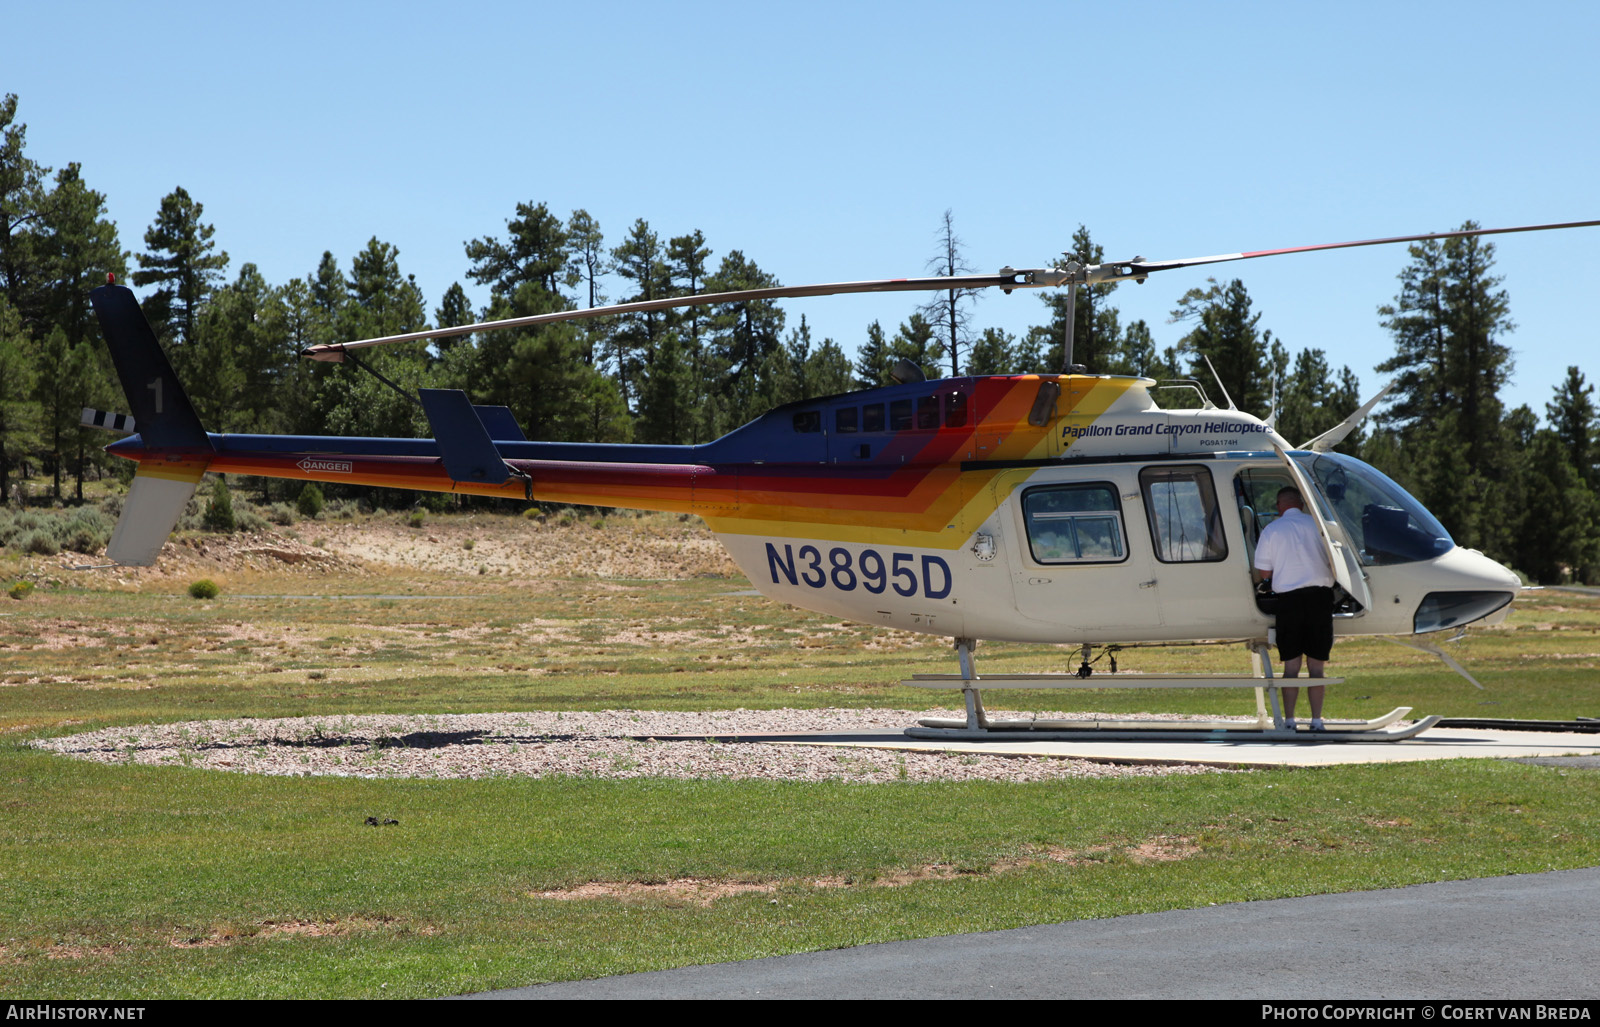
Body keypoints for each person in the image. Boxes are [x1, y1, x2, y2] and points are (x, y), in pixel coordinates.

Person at [1254, 486, 1336, 731]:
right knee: (1316, 665)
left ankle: (1289, 720)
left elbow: (1264, 572)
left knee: (1291, 666)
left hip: (1288, 601)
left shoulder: (1272, 530)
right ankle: (1317, 720)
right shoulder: (1319, 526)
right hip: (1320, 599)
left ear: (1280, 506)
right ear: (1300, 504)